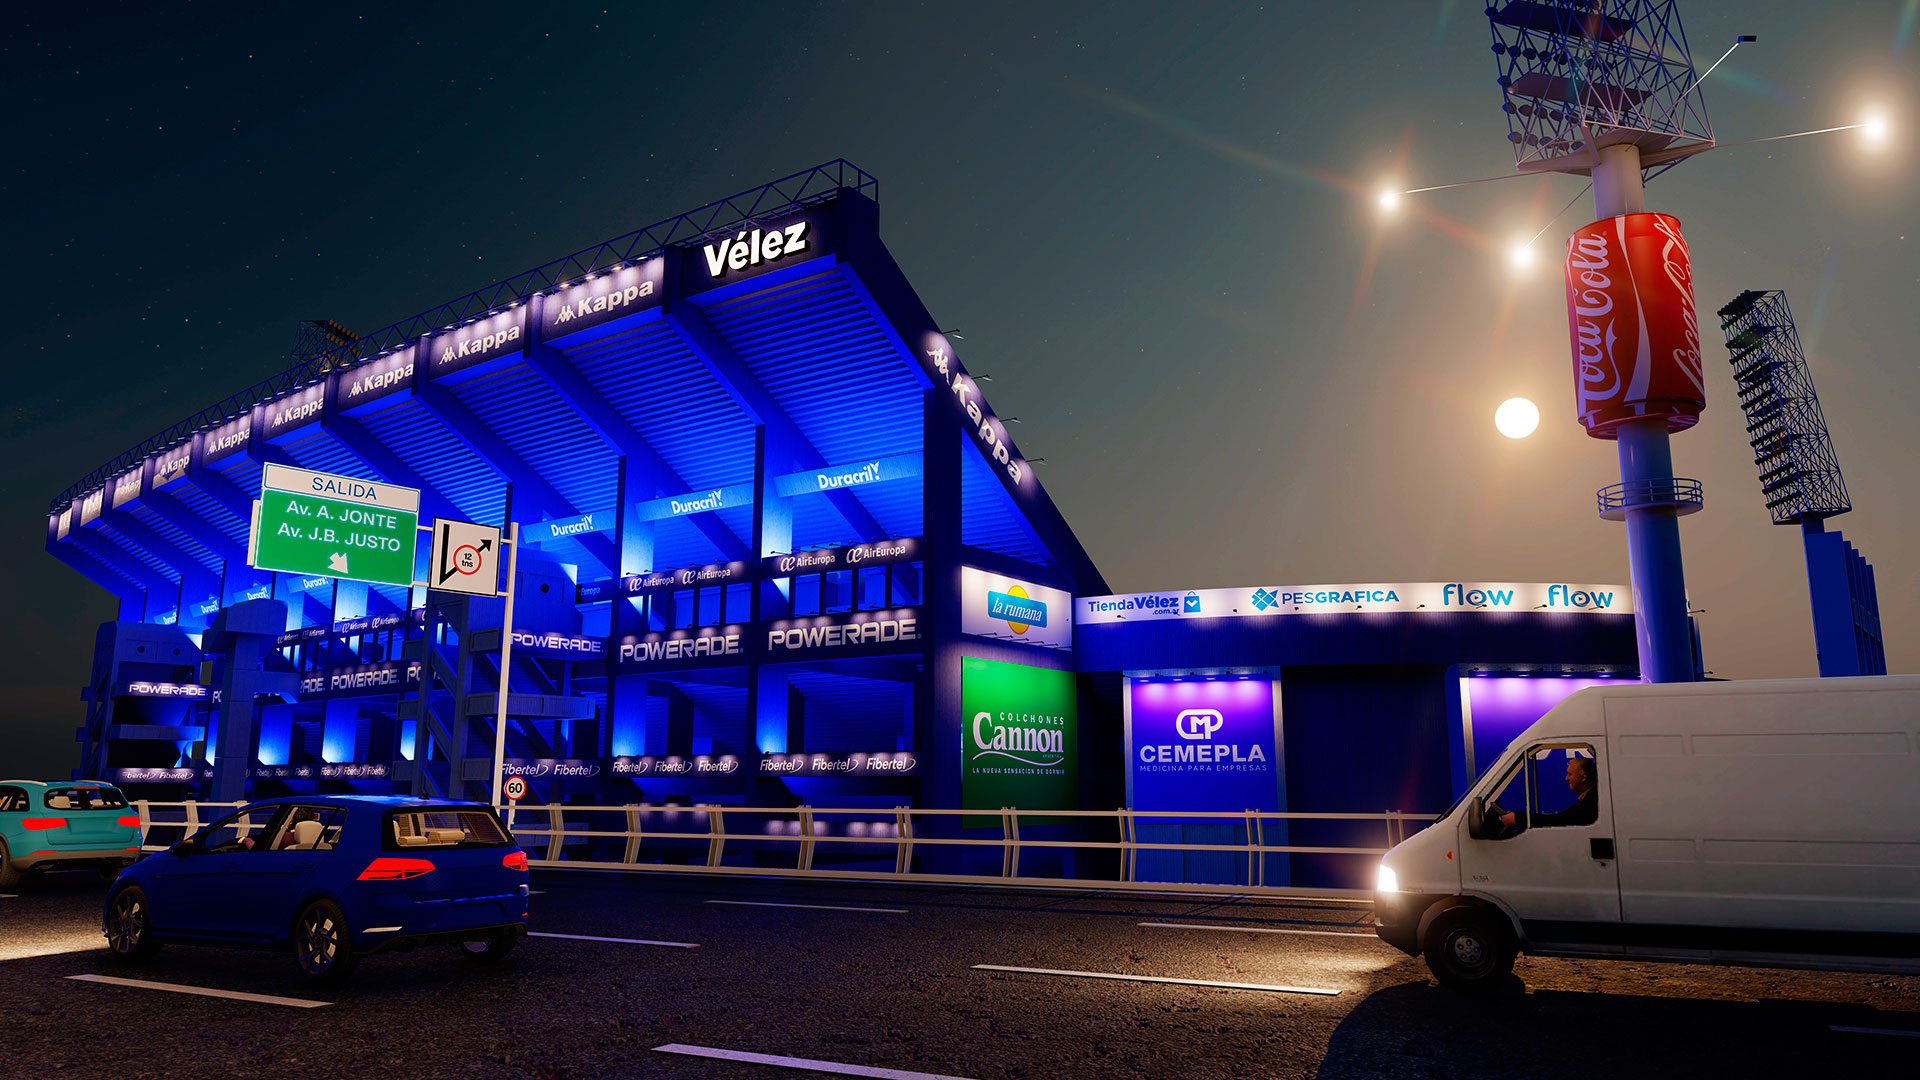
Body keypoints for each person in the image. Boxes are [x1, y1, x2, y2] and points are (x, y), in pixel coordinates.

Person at [1500, 757, 1598, 831]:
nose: (1566, 778)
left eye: (1570, 774)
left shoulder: (1591, 803)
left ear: (1583, 777)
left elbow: (1558, 821)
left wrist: (1518, 819)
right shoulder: (1588, 799)